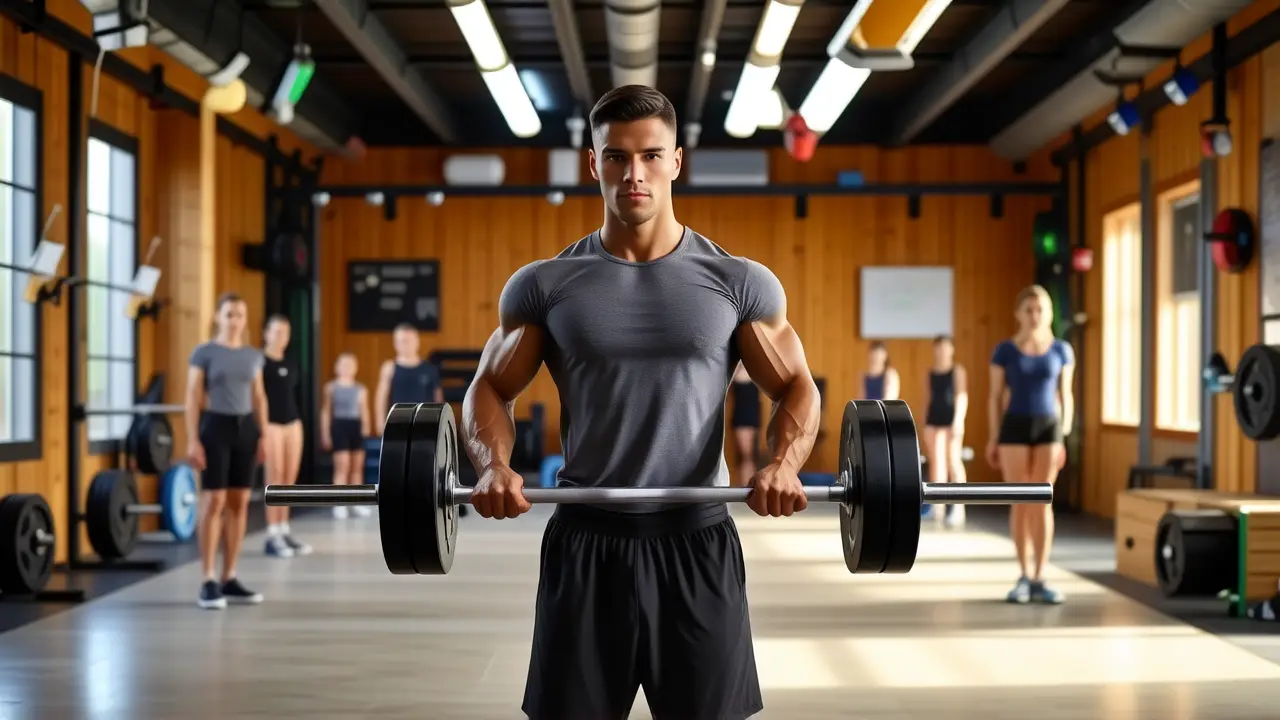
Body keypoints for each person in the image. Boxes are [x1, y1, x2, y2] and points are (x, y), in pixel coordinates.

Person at [461, 85, 819, 720]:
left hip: (697, 540)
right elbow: (489, 387)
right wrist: (492, 464)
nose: (634, 174)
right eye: (617, 157)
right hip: (586, 542)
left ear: (676, 162)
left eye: (651, 156)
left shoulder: (736, 282)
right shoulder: (545, 285)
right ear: (592, 164)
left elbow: (796, 385)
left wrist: (785, 463)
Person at [986, 285, 1075, 605]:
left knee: (1042, 502)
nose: (1035, 315)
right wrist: (994, 436)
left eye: (1040, 309)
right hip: (1014, 427)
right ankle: (1023, 576)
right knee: (1020, 502)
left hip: (1049, 427)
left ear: (1049, 313)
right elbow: (995, 397)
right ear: (1019, 314)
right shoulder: (1005, 351)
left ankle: (1040, 576)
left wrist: (1064, 434)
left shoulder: (1061, 350)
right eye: (1029, 309)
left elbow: (1066, 396)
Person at [185, 292, 268, 610]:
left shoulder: (251, 356)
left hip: (245, 429)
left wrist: (264, 434)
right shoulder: (203, 352)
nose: (236, 320)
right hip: (214, 428)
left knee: (239, 502)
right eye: (230, 314)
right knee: (213, 501)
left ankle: (229, 577)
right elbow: (192, 396)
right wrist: (193, 439)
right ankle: (207, 579)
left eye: (241, 315)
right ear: (218, 317)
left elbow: (259, 396)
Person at [260, 314, 312, 558]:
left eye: (286, 333)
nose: (282, 337)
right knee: (275, 477)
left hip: (293, 423)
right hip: (271, 425)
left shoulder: (292, 362)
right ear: (266, 333)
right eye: (277, 332)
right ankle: (272, 534)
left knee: (289, 479)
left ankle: (284, 529)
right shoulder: (260, 363)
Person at [922, 335, 969, 528]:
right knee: (936, 463)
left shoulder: (957, 371)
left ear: (951, 349)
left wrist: (958, 420)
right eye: (938, 348)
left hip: (951, 420)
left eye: (944, 347)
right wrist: (924, 423)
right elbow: (927, 399)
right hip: (934, 420)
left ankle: (958, 506)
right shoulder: (930, 373)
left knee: (953, 461)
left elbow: (961, 396)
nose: (941, 351)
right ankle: (937, 505)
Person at [322, 352, 372, 519]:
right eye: (343, 364)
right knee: (342, 465)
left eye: (350, 365)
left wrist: (366, 427)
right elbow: (326, 412)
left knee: (357, 467)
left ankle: (356, 502)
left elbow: (364, 410)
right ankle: (339, 503)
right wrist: (325, 433)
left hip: (355, 426)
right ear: (336, 367)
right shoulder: (331, 387)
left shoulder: (360, 388)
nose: (346, 368)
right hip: (339, 425)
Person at [374, 323, 444, 434]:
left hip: (424, 424)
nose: (405, 345)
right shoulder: (389, 368)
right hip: (397, 424)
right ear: (395, 344)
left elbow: (438, 399)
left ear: (417, 341)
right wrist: (380, 423)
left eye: (408, 341)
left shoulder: (429, 369)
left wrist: (441, 424)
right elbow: (381, 397)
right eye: (401, 341)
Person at [728, 363, 761, 486]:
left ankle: (747, 484)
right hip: (740, 415)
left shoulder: (756, 374)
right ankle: (744, 483)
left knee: (746, 455)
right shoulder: (735, 373)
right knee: (743, 456)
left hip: (749, 416)